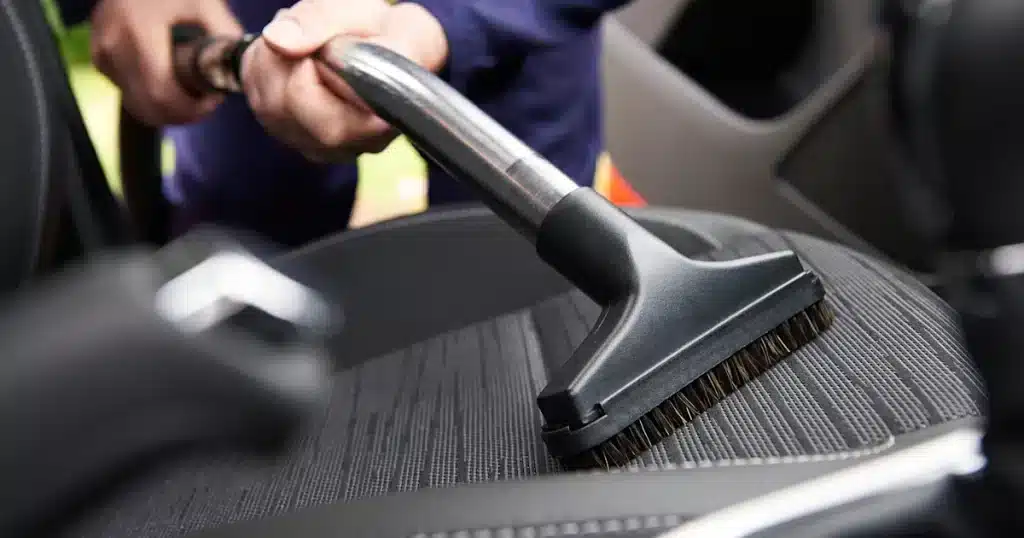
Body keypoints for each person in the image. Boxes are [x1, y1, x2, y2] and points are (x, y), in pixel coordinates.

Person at [57, 0, 631, 246]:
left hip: (512, 35)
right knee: (245, 240)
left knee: (517, 270)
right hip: (248, 21)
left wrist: (449, 21)